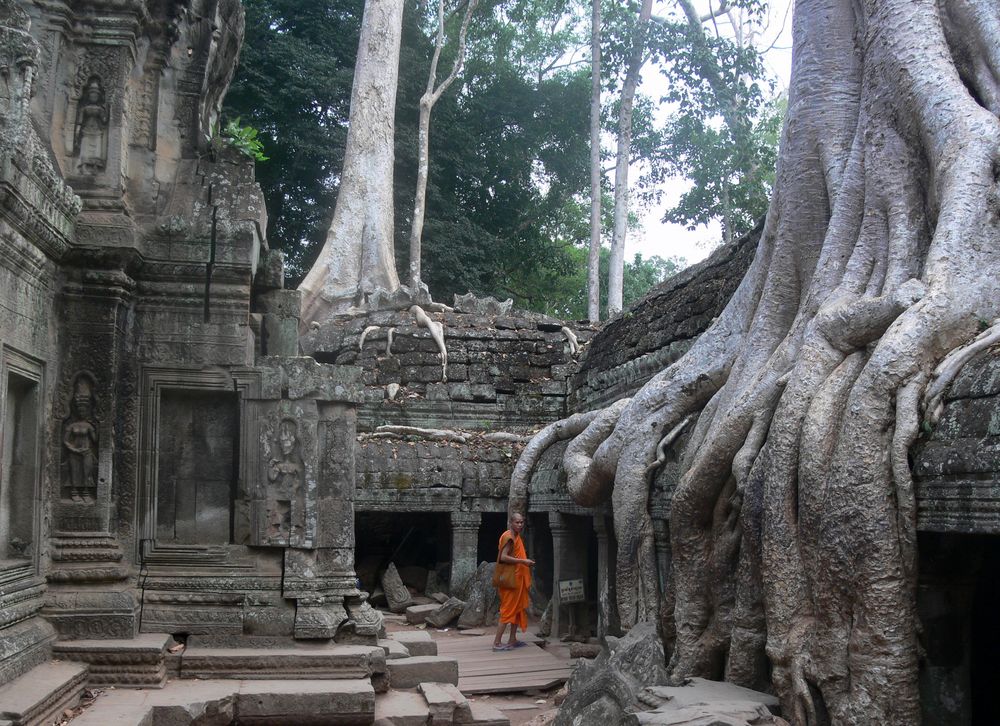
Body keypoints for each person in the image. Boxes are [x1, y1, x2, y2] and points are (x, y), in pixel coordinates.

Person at [493, 512, 535, 651]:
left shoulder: (516, 536)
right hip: (511, 580)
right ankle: (497, 643)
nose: (520, 525)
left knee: (517, 610)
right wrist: (523, 561)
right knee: (507, 611)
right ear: (511, 523)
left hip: (518, 579)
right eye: (517, 522)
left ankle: (512, 639)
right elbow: (503, 557)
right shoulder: (509, 537)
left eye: (522, 522)